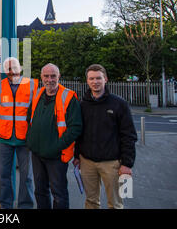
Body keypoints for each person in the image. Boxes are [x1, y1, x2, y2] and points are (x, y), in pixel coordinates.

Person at [73, 64, 137, 209]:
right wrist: (77, 156)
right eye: (91, 78)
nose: (95, 82)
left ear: (105, 79)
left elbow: (129, 135)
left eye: (98, 78)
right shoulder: (82, 105)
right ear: (87, 81)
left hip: (112, 164)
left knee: (115, 204)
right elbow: (79, 133)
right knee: (91, 201)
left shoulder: (119, 104)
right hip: (87, 162)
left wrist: (127, 163)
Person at [26, 63, 82, 209]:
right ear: (41, 77)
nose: (49, 79)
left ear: (59, 77)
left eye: (53, 76)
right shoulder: (38, 93)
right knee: (40, 191)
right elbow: (29, 117)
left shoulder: (69, 97)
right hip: (37, 153)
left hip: (57, 156)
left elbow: (75, 128)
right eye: (46, 76)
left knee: (59, 193)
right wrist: (30, 140)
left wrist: (56, 146)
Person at [0, 57, 37, 209]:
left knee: (27, 177)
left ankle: (26, 206)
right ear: (6, 71)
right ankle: (6, 206)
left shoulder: (32, 84)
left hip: (25, 139)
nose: (12, 71)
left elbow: (36, 111)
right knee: (4, 176)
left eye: (14, 68)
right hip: (4, 139)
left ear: (21, 68)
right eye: (9, 69)